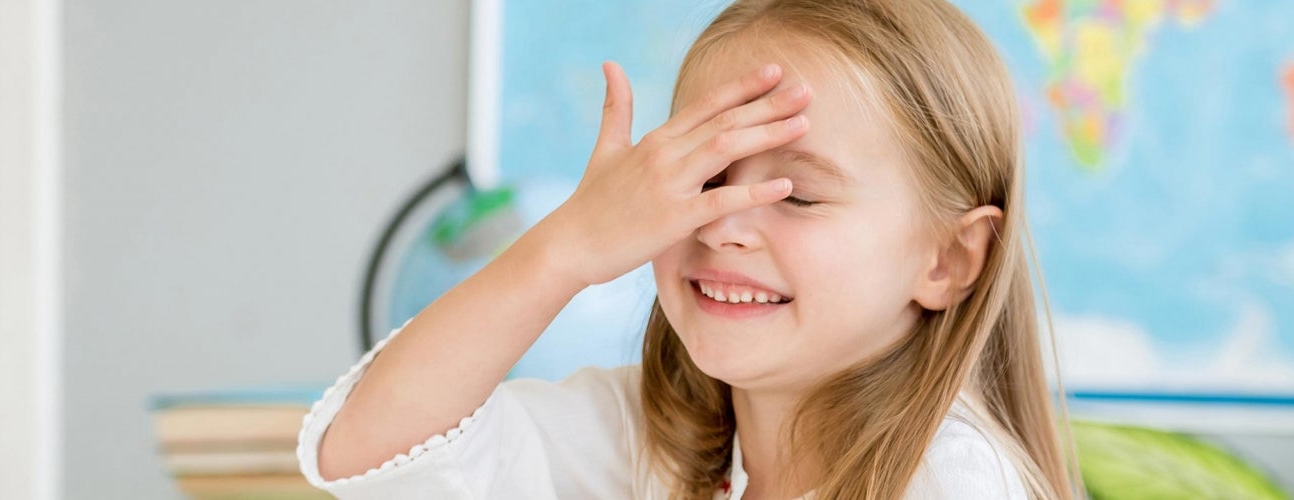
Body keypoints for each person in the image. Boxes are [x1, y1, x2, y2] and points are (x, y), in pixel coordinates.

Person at [301, 0, 1076, 497]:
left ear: (949, 260)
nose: (721, 225)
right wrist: (568, 246)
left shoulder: (953, 483)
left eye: (796, 197)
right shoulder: (653, 440)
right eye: (702, 180)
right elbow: (368, 453)